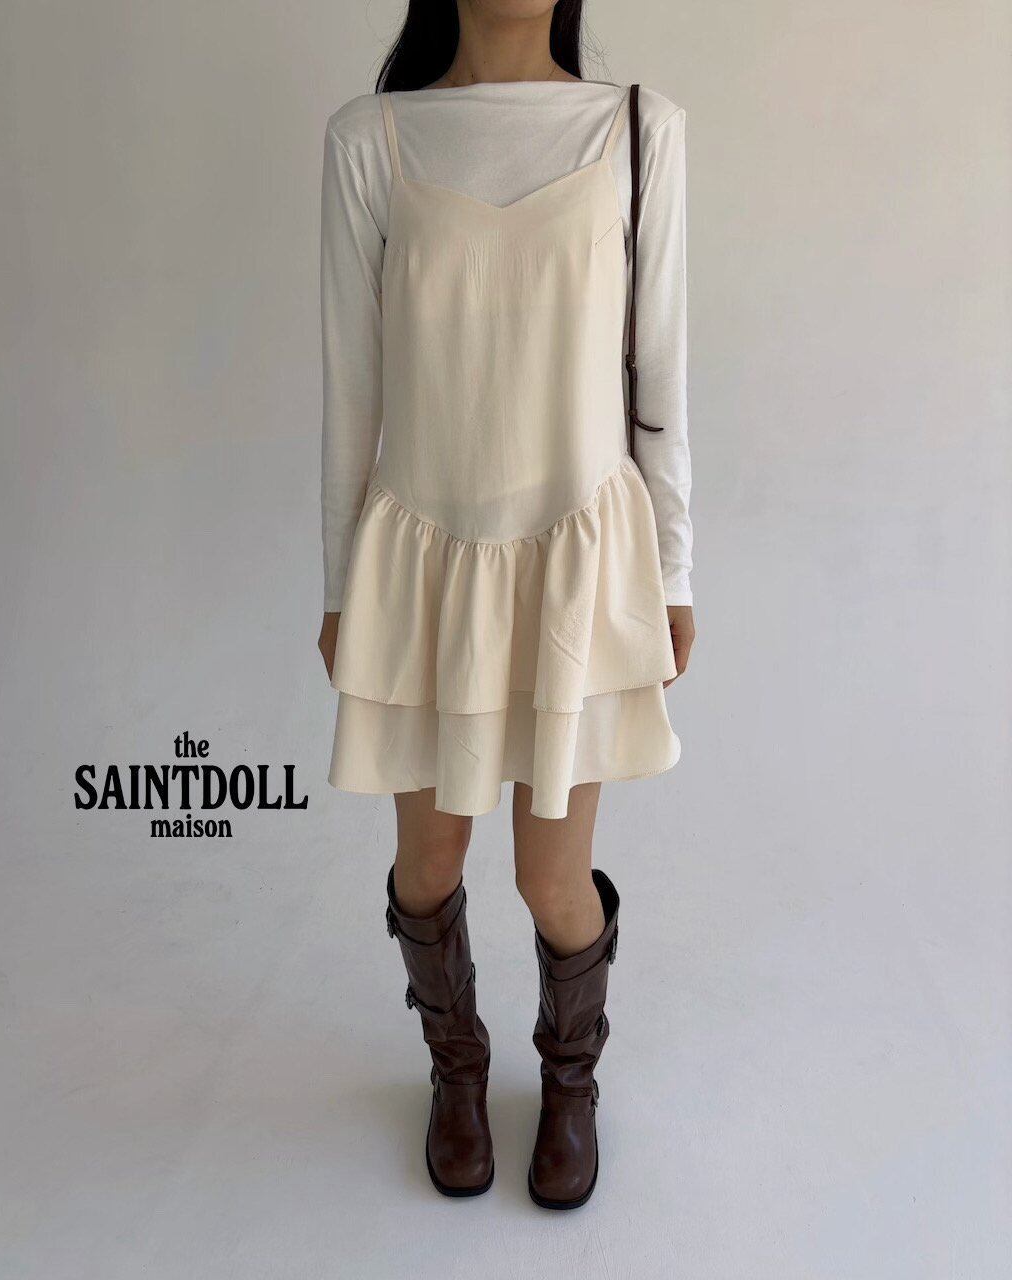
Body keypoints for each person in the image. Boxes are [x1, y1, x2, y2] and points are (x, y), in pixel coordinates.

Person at [317, 0, 694, 1209]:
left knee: (550, 880)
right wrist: (340, 585)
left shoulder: (637, 129)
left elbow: (661, 370)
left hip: (574, 562)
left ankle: (569, 1081)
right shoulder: (373, 139)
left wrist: (673, 571)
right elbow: (350, 388)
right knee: (426, 866)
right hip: (425, 567)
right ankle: (457, 1067)